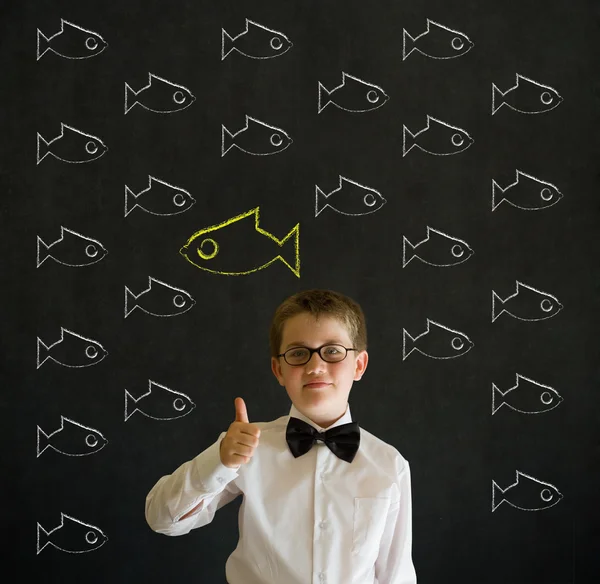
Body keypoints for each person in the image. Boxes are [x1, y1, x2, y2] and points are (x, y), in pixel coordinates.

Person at [145, 289, 417, 584]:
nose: (315, 367)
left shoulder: (389, 464)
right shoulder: (246, 445)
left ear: (359, 365)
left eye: (333, 351)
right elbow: (161, 520)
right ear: (278, 370)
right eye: (299, 353)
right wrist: (219, 461)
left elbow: (396, 574)